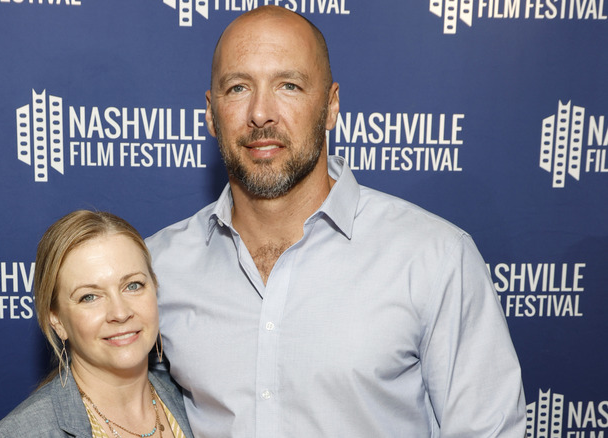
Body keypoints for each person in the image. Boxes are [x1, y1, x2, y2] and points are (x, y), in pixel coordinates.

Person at [145, 5, 526, 437]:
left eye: (288, 86)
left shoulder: (434, 258)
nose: (260, 113)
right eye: (237, 88)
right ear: (211, 114)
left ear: (331, 106)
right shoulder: (157, 269)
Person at [0, 210, 193, 438]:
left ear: (155, 288)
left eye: (133, 285)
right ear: (56, 320)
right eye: (89, 297)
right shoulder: (23, 433)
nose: (120, 312)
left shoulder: (198, 402)